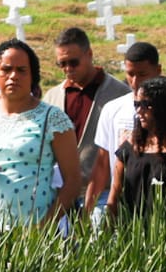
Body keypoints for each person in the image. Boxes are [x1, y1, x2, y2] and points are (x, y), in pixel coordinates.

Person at [0, 40, 81, 230]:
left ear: (33, 76)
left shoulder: (52, 118)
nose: (13, 76)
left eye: (21, 70)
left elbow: (73, 181)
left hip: (35, 233)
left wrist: (46, 226)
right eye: (6, 69)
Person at [45, 26, 130, 188]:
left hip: (103, 191)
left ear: (89, 54)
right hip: (60, 192)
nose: (68, 69)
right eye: (62, 64)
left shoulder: (119, 94)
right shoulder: (52, 97)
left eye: (73, 62)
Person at [87, 41, 163, 212]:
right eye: (130, 74)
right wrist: (89, 209)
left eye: (142, 74)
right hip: (121, 201)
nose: (135, 81)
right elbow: (102, 163)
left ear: (158, 71)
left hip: (159, 202)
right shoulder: (113, 109)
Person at [108, 76, 166, 219]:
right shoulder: (131, 147)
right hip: (132, 237)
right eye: (136, 104)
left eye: (146, 104)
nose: (139, 111)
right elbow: (114, 198)